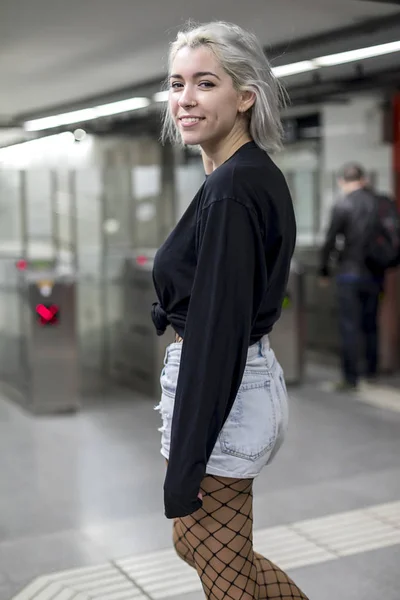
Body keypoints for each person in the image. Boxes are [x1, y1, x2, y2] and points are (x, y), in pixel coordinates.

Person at [151, 21, 308, 600]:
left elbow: (218, 337)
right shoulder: (236, 175)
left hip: (227, 392)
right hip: (237, 386)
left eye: (205, 83)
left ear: (245, 97)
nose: (185, 99)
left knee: (224, 574)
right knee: (202, 547)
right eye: (176, 83)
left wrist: (186, 464)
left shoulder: (234, 190)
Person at [319, 163, 383, 391]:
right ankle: (372, 372)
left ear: (341, 181)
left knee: (349, 326)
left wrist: (324, 270)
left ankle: (350, 378)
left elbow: (329, 240)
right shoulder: (377, 203)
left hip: (349, 274)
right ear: (363, 179)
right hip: (375, 274)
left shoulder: (343, 204)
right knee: (371, 323)